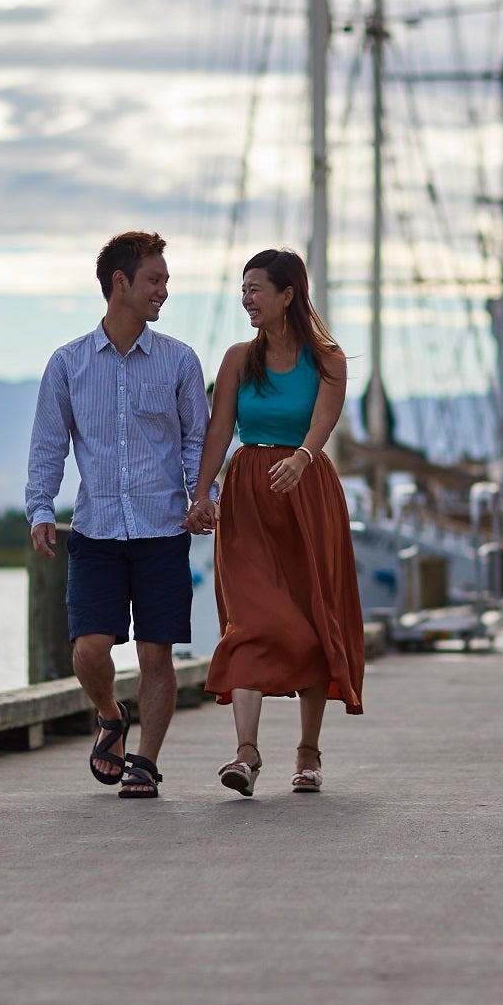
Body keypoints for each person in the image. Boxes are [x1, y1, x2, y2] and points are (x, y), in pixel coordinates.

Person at [25, 231, 210, 800]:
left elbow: (197, 441)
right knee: (88, 649)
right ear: (120, 284)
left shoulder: (179, 360)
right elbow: (48, 444)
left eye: (167, 281)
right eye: (155, 280)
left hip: (162, 529)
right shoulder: (68, 363)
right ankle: (110, 715)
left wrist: (204, 499)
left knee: (157, 653)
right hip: (97, 530)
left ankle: (145, 763)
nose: (164, 291)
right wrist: (40, 507)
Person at [187, 248, 364, 796]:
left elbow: (323, 421)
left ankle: (308, 755)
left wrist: (303, 459)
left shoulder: (328, 358)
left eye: (257, 289)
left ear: (288, 294)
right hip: (248, 496)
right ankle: (245, 754)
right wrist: (202, 491)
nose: (247, 299)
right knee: (251, 619)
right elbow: (220, 430)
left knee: (314, 619)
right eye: (243, 290)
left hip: (307, 494)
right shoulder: (239, 357)